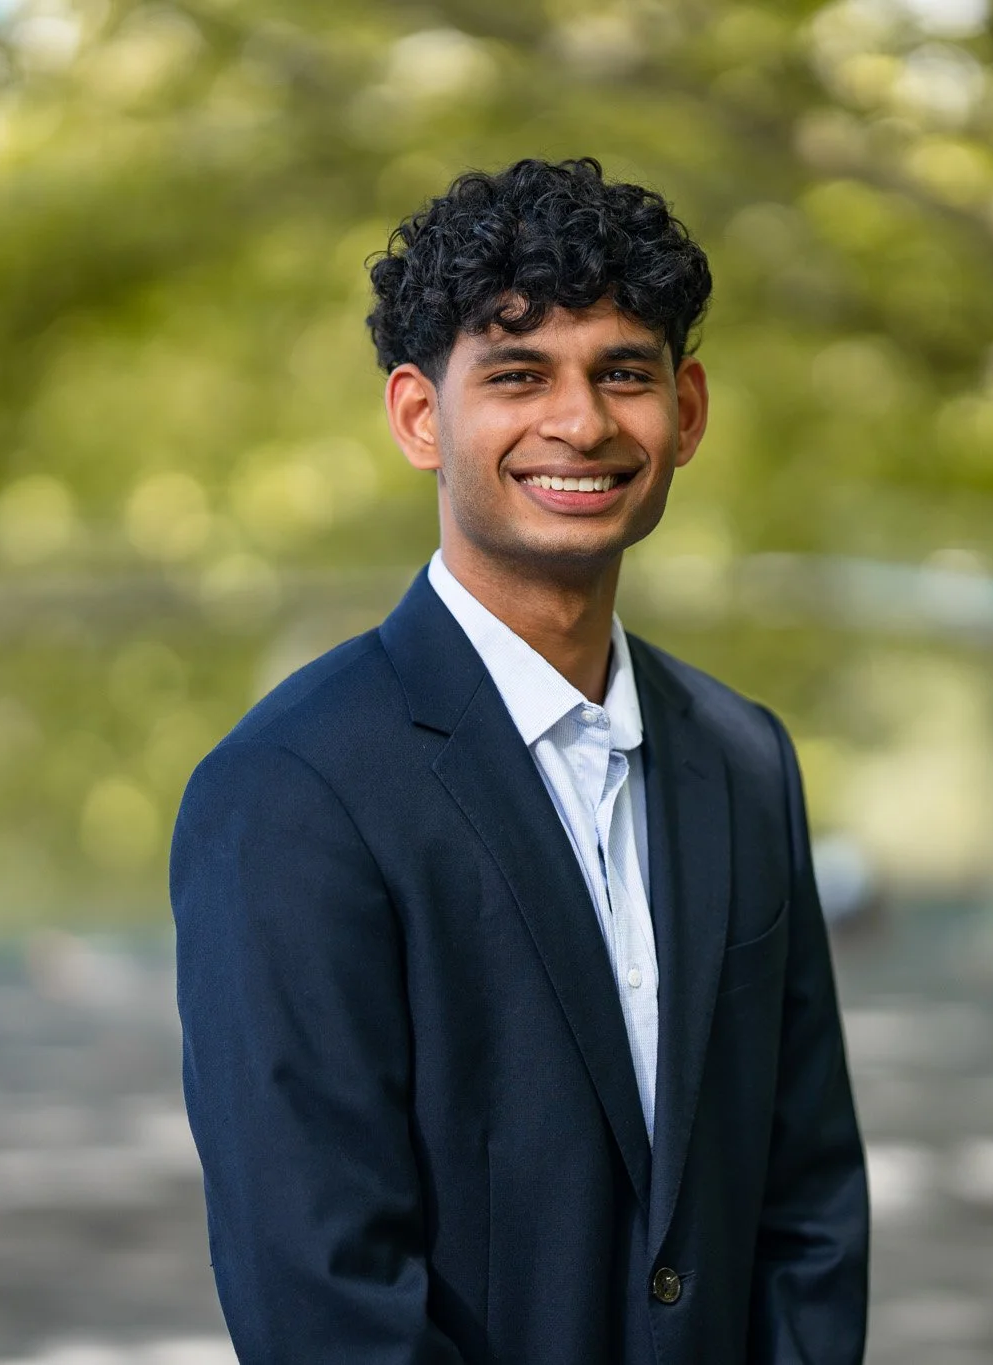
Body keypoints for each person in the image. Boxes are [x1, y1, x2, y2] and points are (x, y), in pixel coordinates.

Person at [171, 157, 868, 1365]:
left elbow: (805, 1199)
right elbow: (320, 1293)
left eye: (622, 374)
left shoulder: (747, 760)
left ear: (686, 410)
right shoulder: (288, 793)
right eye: (516, 375)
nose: (582, 422)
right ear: (417, 416)